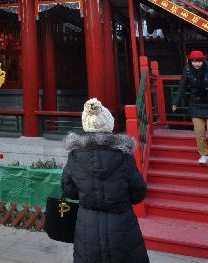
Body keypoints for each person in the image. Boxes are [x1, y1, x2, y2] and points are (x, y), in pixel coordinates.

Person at [62, 98, 148, 263]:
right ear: (109, 124)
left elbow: (68, 189)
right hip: (122, 225)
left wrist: (87, 194)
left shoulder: (75, 156)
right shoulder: (124, 156)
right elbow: (138, 192)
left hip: (88, 226)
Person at [172, 49, 208, 164]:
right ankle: (204, 155)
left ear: (203, 61)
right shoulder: (187, 71)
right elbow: (181, 88)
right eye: (194, 61)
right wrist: (176, 102)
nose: (197, 64)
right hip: (196, 104)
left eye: (199, 61)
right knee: (199, 131)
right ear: (190, 62)